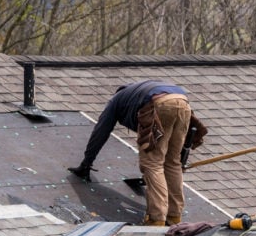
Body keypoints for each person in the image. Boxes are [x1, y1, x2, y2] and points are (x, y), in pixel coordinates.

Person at [68, 79, 206, 226]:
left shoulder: (117, 101)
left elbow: (100, 132)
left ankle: (156, 218)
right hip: (183, 103)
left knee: (153, 163)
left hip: (159, 104)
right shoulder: (138, 93)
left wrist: (86, 164)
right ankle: (174, 215)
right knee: (173, 162)